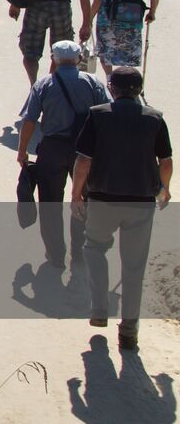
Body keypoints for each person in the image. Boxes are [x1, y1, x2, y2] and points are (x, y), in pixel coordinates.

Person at [71, 66, 172, 351]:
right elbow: (165, 161)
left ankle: (100, 310)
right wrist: (165, 188)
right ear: (139, 90)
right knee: (133, 268)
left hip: (102, 198)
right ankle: (129, 332)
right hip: (141, 202)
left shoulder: (98, 115)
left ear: (112, 88)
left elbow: (83, 161)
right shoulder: (154, 118)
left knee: (94, 249)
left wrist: (76, 193)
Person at [17, 40, 111, 268]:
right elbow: (107, 116)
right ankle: (79, 251)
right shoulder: (93, 83)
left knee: (50, 202)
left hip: (52, 149)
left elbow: (30, 121)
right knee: (83, 200)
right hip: (86, 151)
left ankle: (56, 254)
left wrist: (22, 151)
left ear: (54, 59)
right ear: (79, 59)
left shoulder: (43, 84)